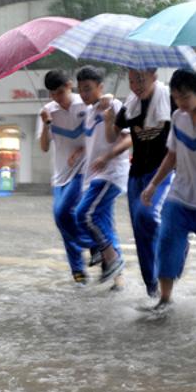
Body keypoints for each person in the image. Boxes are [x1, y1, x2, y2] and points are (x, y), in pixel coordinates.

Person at [141, 69, 196, 311]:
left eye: (184, 97)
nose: (180, 102)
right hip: (180, 196)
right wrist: (153, 185)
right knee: (167, 243)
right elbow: (172, 154)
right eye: (176, 97)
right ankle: (165, 298)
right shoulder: (178, 117)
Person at [103, 68, 174, 298]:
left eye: (140, 80)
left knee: (148, 217)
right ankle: (152, 288)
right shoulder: (130, 105)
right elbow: (112, 136)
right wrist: (108, 119)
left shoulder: (169, 98)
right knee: (140, 230)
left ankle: (174, 246)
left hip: (161, 171)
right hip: (136, 175)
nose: (136, 85)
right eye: (132, 81)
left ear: (154, 75)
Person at [37, 69, 98, 285]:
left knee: (63, 212)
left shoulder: (85, 104)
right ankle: (78, 270)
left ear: (69, 85)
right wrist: (46, 125)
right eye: (53, 94)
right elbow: (44, 147)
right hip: (60, 174)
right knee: (62, 219)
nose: (57, 98)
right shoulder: (48, 111)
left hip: (82, 170)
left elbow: (94, 136)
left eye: (61, 92)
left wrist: (81, 151)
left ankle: (95, 244)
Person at [74, 66, 130, 288]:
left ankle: (109, 256)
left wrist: (107, 156)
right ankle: (120, 281)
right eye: (81, 90)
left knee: (83, 215)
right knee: (105, 225)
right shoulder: (89, 112)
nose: (84, 94)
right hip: (94, 176)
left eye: (88, 89)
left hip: (111, 174)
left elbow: (128, 139)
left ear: (101, 87)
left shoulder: (114, 106)